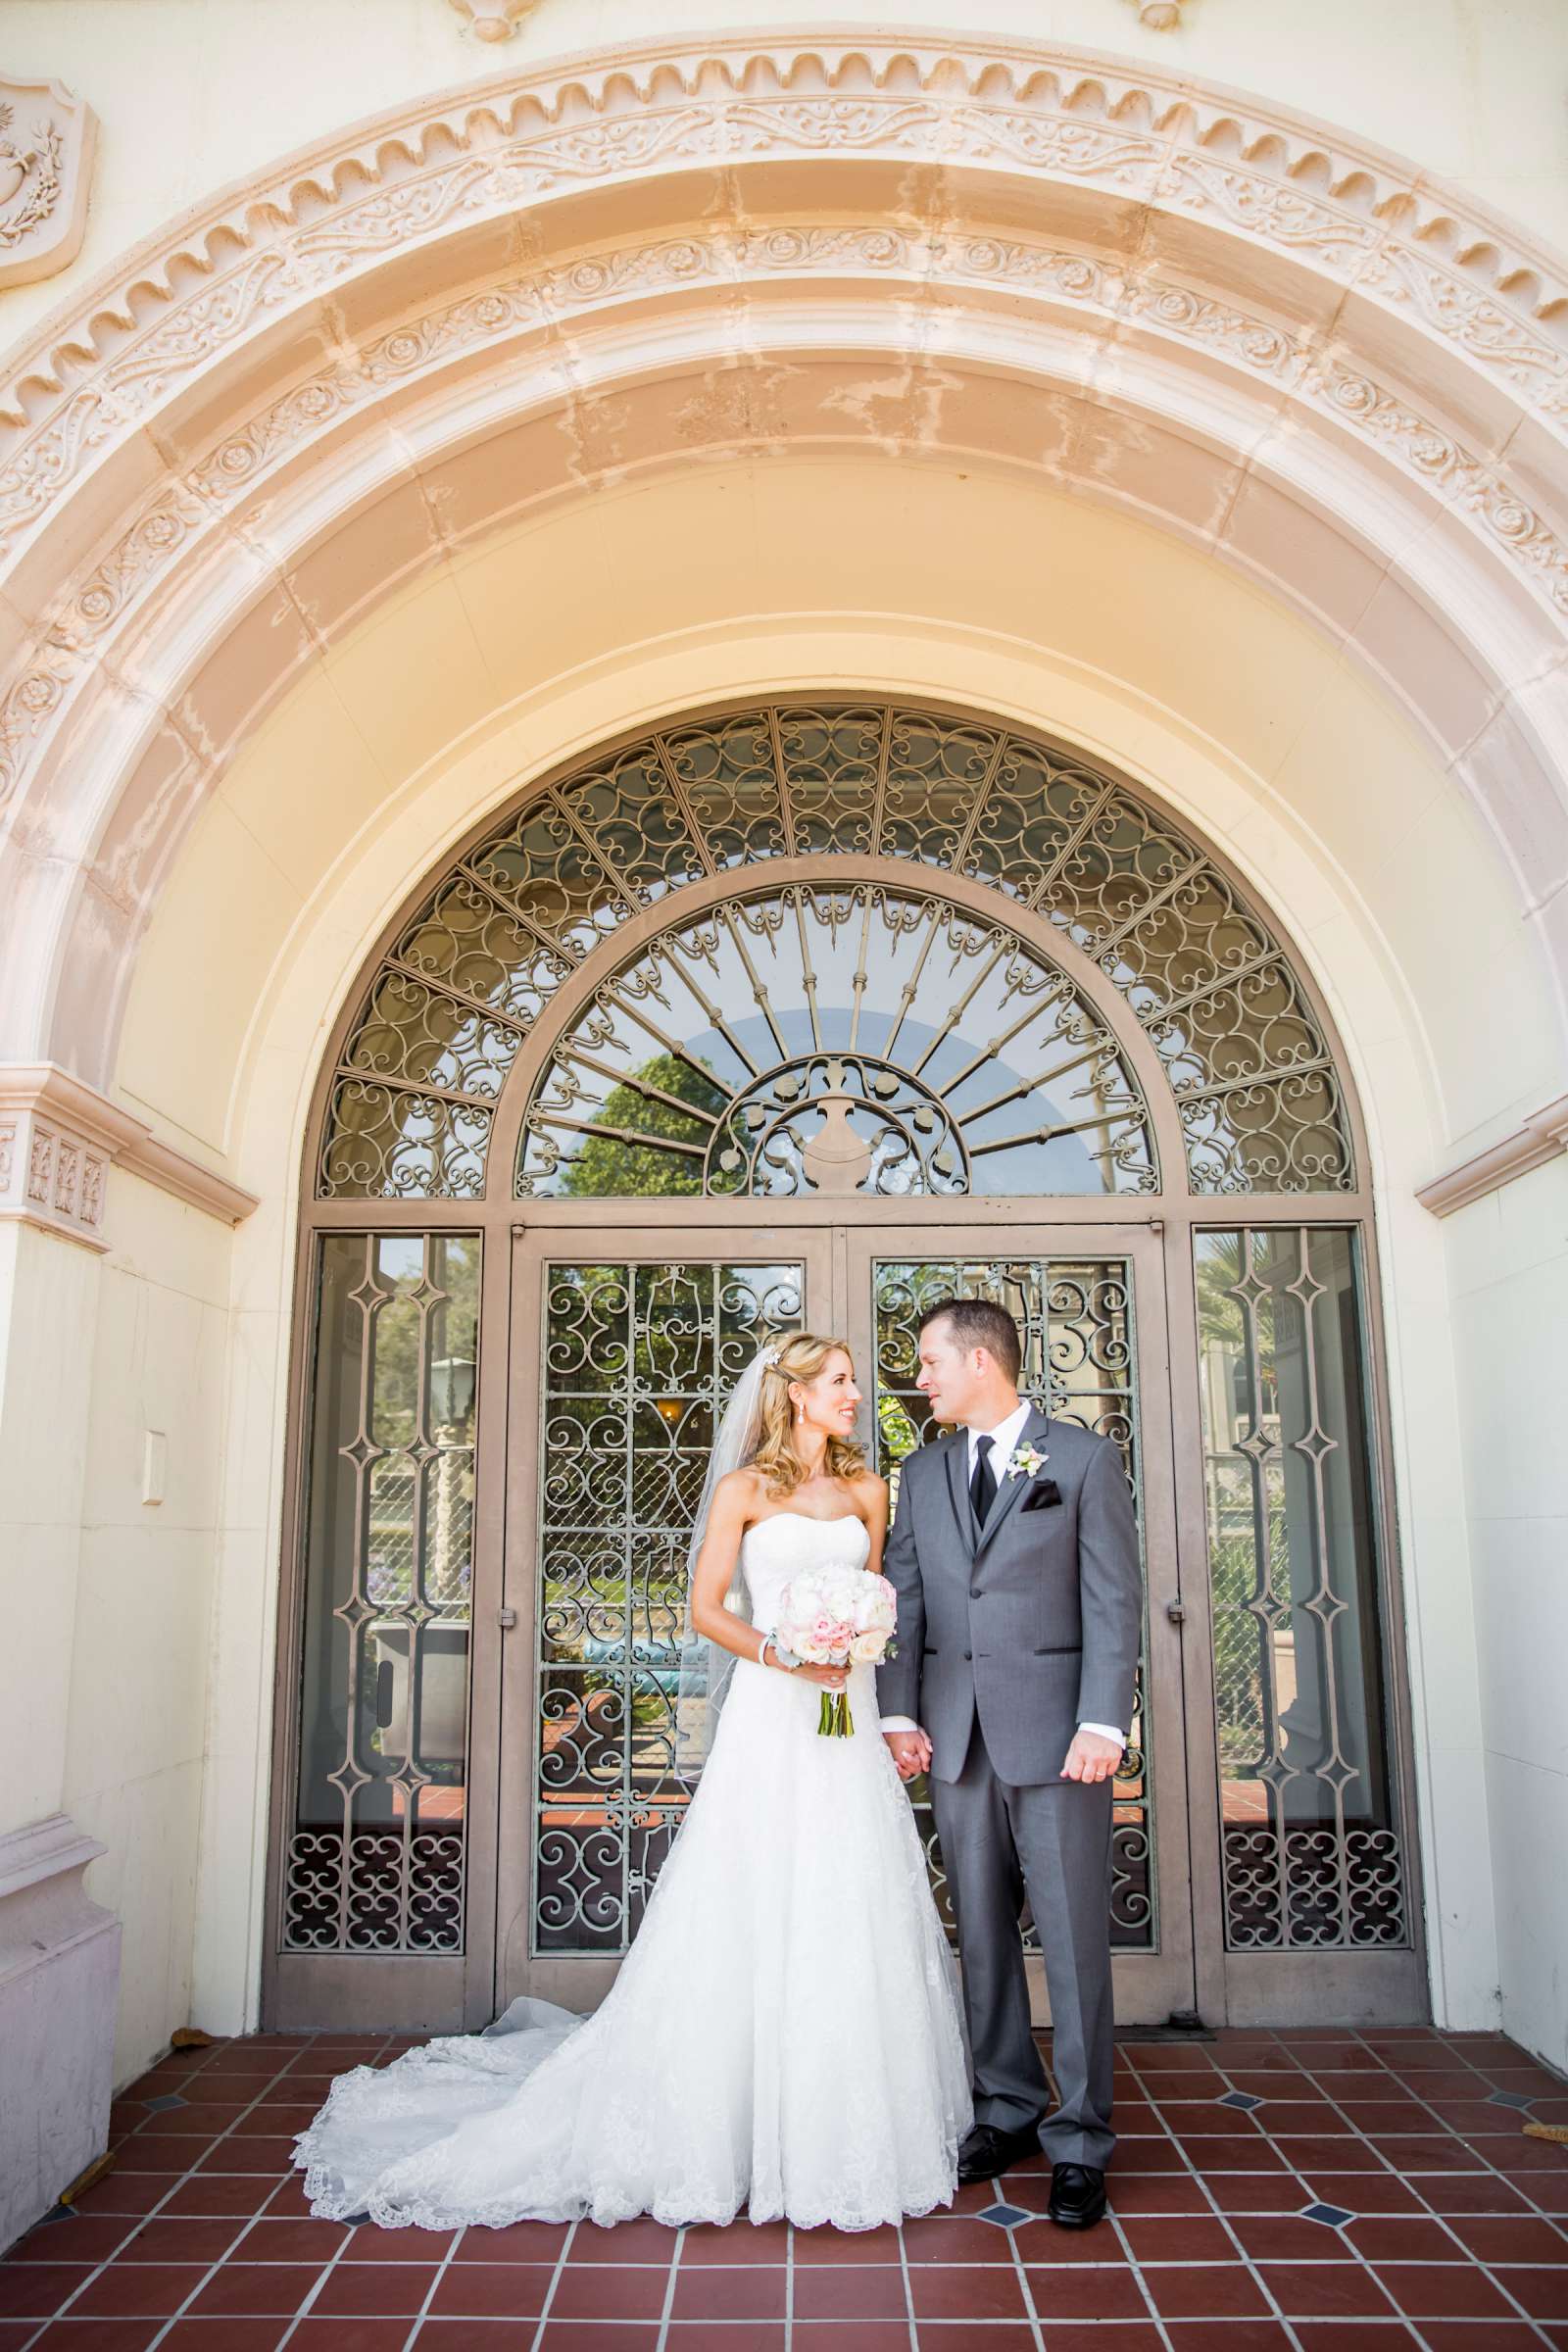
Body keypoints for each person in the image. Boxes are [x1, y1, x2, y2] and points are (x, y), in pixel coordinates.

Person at [291, 1333, 971, 2232]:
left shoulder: (867, 1490)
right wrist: (783, 1651)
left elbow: (879, 1594)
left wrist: (855, 1653)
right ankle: (726, 2124)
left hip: (843, 1722)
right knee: (753, 1894)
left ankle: (841, 2125)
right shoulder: (743, 1490)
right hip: (773, 1716)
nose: (856, 1394)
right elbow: (704, 1607)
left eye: (853, 1382)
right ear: (796, 1393)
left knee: (848, 1898)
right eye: (840, 1382)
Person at [878, 1295, 1142, 2230]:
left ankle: (1080, 2141)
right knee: (981, 1935)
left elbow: (1114, 1600)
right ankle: (1007, 2108)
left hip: (1059, 1739)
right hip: (955, 1739)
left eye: (930, 1363)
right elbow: (905, 1596)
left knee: (1072, 1942)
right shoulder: (924, 1469)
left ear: (980, 1361)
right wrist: (900, 1712)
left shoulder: (1080, 1460)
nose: (922, 1379)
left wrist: (1103, 1723)